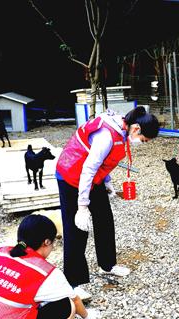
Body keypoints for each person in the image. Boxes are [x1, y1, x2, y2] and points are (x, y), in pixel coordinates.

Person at [55, 106, 159, 300]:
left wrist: (107, 182)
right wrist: (82, 206)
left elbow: (105, 161)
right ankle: (73, 282)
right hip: (71, 175)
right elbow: (88, 167)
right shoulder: (106, 135)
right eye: (143, 140)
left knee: (104, 218)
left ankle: (107, 265)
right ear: (136, 129)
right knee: (76, 228)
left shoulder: (122, 129)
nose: (141, 143)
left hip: (93, 178)